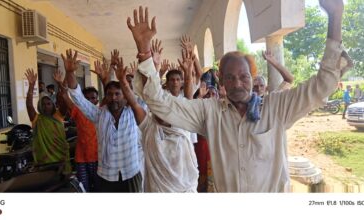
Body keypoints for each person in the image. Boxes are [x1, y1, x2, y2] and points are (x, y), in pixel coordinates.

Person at [128, 1, 351, 192]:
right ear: (221, 81)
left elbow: (322, 86)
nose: (237, 84)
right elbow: (160, 102)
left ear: (253, 79)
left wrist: (335, 16)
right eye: (230, 78)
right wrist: (144, 52)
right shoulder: (210, 112)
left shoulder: (276, 107)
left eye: (244, 77)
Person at [116, 54, 199, 192]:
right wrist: (123, 82)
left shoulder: (182, 125)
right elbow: (134, 103)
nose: (162, 112)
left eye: (166, 110)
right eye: (159, 109)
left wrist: (188, 73)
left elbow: (188, 99)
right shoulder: (149, 127)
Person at [64, 49, 142, 192]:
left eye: (118, 94)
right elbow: (77, 97)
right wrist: (69, 73)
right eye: (110, 94)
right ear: (105, 96)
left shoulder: (133, 112)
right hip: (106, 176)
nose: (114, 98)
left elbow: (146, 94)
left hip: (131, 173)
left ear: (124, 95)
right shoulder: (98, 115)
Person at [53, 70, 98, 192]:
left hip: (98, 157)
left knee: (99, 189)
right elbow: (65, 97)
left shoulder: (101, 113)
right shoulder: (78, 111)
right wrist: (60, 84)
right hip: (81, 158)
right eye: (86, 98)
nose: (90, 100)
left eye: (93, 98)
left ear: (97, 100)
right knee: (83, 189)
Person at [25, 69, 71, 173]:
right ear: (39, 106)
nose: (46, 106)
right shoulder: (36, 119)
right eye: (43, 104)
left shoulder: (58, 116)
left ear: (53, 105)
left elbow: (63, 101)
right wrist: (31, 86)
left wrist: (59, 83)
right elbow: (29, 105)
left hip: (61, 158)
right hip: (43, 162)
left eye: (48, 104)